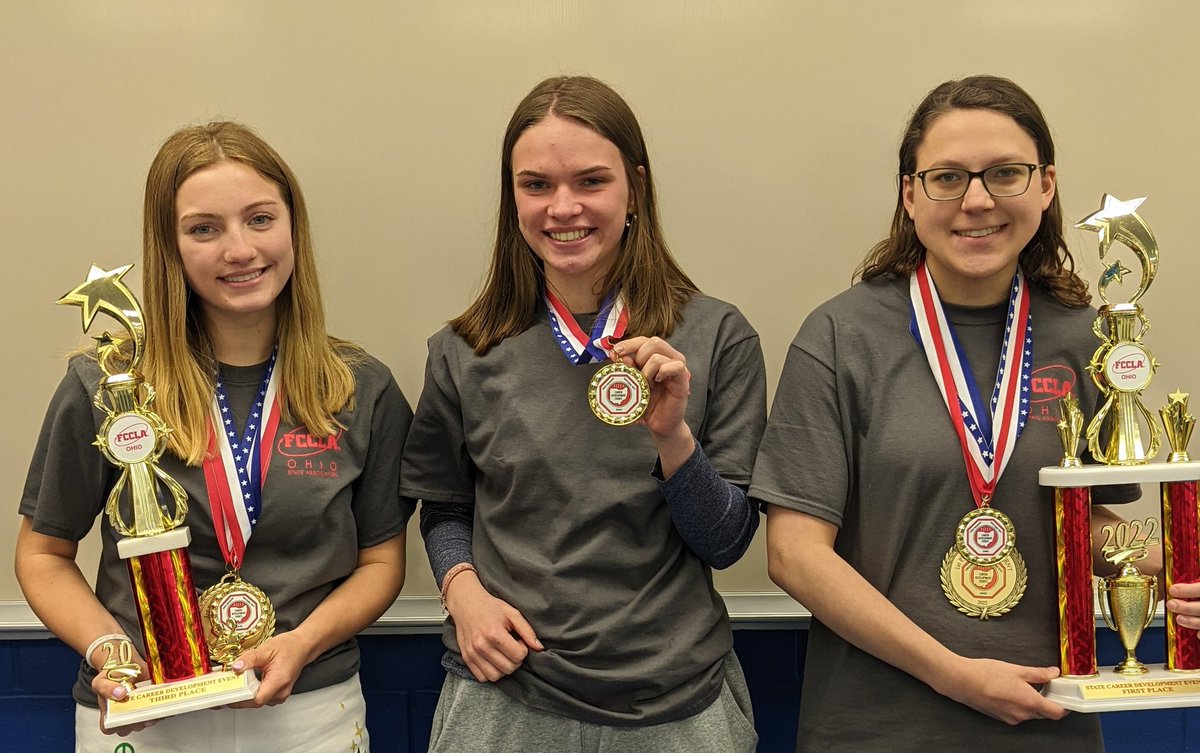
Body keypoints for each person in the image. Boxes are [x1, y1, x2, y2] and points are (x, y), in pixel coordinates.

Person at [750, 75, 1147, 752]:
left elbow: (1087, 528)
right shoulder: (841, 337)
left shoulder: (1090, 337)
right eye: (947, 178)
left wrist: (1170, 564)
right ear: (910, 195)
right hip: (874, 728)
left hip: (1046, 723)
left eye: (1005, 173)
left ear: (1046, 186)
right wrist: (953, 673)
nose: (977, 199)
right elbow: (793, 554)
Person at [16, 121, 412, 752]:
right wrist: (110, 652)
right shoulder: (108, 384)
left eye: (260, 219)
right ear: (169, 245)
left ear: (292, 228)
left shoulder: (361, 388)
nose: (239, 249)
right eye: (204, 228)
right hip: (144, 716)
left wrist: (301, 643)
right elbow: (42, 556)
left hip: (307, 709)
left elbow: (380, 562)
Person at [400, 75, 764, 752]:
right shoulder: (464, 349)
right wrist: (463, 594)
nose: (563, 207)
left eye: (590, 181)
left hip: (677, 706)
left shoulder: (717, 337)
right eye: (536, 184)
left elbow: (727, 542)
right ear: (513, 199)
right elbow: (444, 505)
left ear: (636, 189)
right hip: (504, 698)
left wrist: (672, 436)